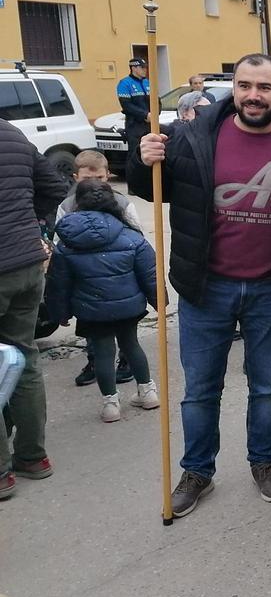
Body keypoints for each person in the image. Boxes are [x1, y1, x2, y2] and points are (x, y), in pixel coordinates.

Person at [129, 53, 271, 517]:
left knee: (267, 386)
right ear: (233, 89)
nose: (253, 96)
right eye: (245, 86)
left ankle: (264, 462)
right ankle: (197, 471)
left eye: (264, 87)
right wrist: (142, 160)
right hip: (206, 287)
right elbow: (150, 187)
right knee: (200, 388)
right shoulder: (191, 138)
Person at [45, 180, 158, 422]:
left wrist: (60, 313)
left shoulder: (67, 243)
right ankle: (148, 392)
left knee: (103, 353)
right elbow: (149, 273)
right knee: (131, 345)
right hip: (128, 306)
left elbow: (58, 283)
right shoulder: (130, 236)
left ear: (77, 204)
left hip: (92, 309)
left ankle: (111, 405)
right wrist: (159, 300)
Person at [0, 121, 67, 500]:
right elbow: (56, 186)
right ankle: (32, 456)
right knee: (23, 357)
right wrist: (30, 224)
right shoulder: (11, 133)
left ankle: (1, 473)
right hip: (27, 263)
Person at [54, 150, 140, 388]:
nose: (93, 184)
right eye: (86, 179)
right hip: (86, 280)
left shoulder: (122, 204)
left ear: (108, 175)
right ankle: (94, 360)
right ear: (75, 177)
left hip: (120, 278)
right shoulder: (67, 206)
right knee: (92, 326)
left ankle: (126, 361)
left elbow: (137, 239)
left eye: (99, 178)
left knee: (126, 328)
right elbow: (59, 243)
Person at [118, 58, 152, 151]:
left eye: (145, 68)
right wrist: (145, 115)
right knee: (135, 152)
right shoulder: (125, 83)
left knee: (151, 151)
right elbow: (126, 105)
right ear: (133, 68)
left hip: (150, 124)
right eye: (142, 67)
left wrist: (155, 114)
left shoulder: (147, 82)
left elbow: (157, 101)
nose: (145, 70)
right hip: (134, 125)